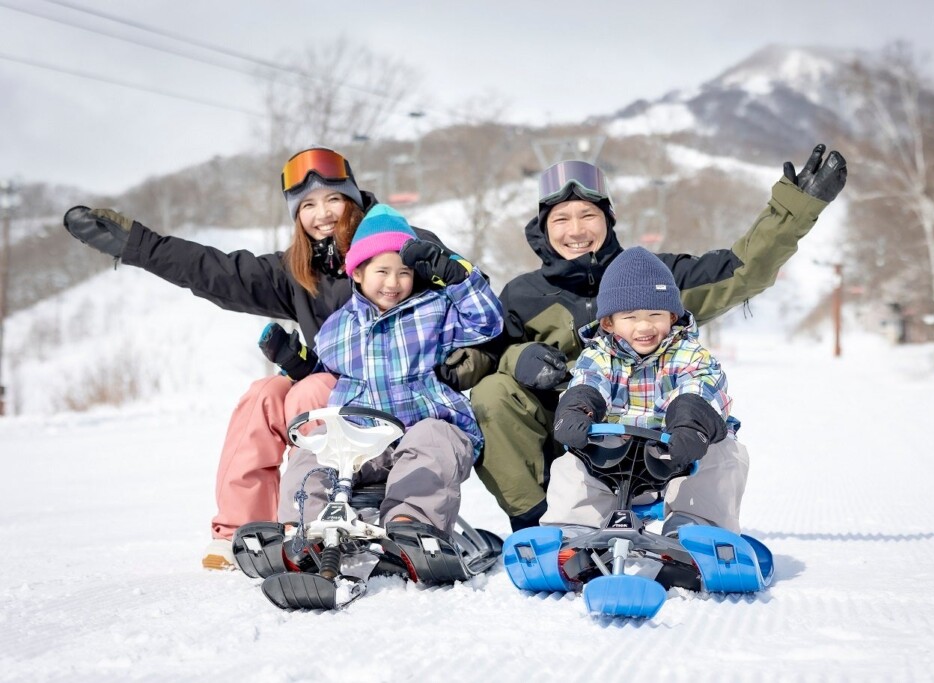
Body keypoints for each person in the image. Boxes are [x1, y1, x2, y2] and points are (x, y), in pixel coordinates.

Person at [62, 147, 492, 570]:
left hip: (403, 398)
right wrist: (143, 247)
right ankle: (245, 532)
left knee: (312, 390)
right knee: (264, 393)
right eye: (307, 205)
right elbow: (219, 271)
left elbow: (474, 303)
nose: (322, 213)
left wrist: (475, 358)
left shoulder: (402, 246)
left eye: (333, 199)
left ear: (354, 200)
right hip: (337, 384)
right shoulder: (298, 271)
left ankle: (361, 519)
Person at [471, 145, 846, 530]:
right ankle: (541, 528)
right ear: (544, 229)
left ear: (609, 218)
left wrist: (793, 210)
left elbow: (741, 272)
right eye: (561, 219)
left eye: (588, 215)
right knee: (491, 394)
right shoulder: (523, 294)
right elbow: (487, 353)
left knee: (719, 438)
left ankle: (692, 525)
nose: (576, 230)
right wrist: (519, 357)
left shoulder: (657, 280)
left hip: (658, 438)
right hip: (572, 439)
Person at [278, 203, 503, 561]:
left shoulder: (435, 309)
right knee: (311, 452)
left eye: (403, 272)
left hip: (426, 429)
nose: (393, 282)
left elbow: (486, 322)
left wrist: (459, 278)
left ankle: (408, 527)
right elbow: (324, 367)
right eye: (382, 271)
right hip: (361, 441)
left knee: (430, 442)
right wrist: (295, 362)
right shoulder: (338, 326)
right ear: (357, 273)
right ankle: (300, 532)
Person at [543, 247, 738, 537]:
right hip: (611, 462)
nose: (644, 326)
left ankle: (698, 528)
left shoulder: (689, 355)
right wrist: (576, 409)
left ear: (672, 316)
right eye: (630, 317)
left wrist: (692, 423)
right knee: (571, 464)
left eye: (655, 314)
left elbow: (700, 387)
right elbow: (589, 383)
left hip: (676, 460)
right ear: (609, 322)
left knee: (722, 451)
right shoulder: (599, 355)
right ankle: (572, 530)